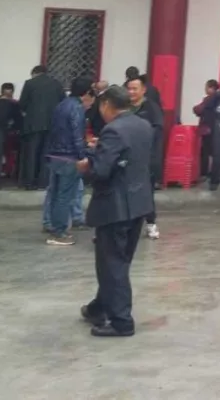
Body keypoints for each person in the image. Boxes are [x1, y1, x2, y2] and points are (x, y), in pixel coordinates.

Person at [78, 85, 154, 338]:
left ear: (107, 105)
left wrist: (86, 165)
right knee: (118, 261)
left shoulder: (113, 130)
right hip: (139, 201)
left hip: (116, 204)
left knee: (112, 263)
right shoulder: (143, 125)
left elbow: (101, 171)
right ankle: (99, 307)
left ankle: (122, 321)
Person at [45, 78, 96, 245]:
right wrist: (82, 155)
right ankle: (59, 233)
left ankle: (52, 225)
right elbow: (76, 134)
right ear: (86, 93)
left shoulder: (61, 105)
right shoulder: (77, 108)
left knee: (55, 193)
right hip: (69, 156)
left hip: (55, 155)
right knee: (65, 196)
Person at [127, 76, 163, 239]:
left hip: (146, 157)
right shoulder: (124, 107)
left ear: (143, 90)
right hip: (127, 157)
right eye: (129, 89)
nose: (131, 92)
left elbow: (156, 132)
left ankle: (151, 223)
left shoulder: (151, 108)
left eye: (135, 89)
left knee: (146, 192)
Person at [18, 65, 64, 190]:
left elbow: (22, 104)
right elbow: (62, 103)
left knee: (31, 154)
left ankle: (29, 182)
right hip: (51, 124)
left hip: (33, 124)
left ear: (34, 73)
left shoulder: (30, 84)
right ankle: (43, 182)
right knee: (46, 153)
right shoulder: (57, 84)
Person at [193, 79, 219, 180]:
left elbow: (198, 109)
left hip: (208, 128)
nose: (205, 89)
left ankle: (204, 173)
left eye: (207, 87)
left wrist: (195, 108)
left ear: (212, 88)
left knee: (205, 151)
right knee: (214, 151)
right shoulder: (218, 99)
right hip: (215, 128)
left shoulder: (209, 99)